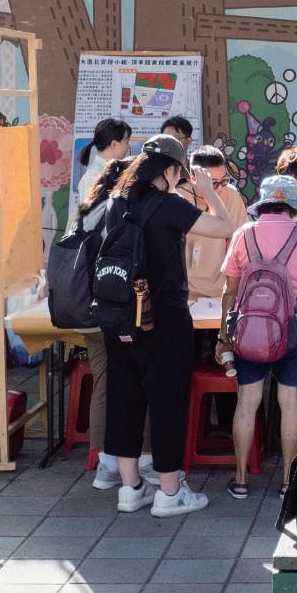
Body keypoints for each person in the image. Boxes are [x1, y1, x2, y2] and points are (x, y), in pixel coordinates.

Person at [102, 133, 234, 516]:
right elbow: (225, 227)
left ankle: (130, 489)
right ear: (173, 171)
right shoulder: (170, 204)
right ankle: (170, 491)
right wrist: (207, 192)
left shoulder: (116, 202)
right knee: (167, 400)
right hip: (164, 316)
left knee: (124, 397)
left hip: (119, 313)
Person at [216, 174, 297, 499]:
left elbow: (229, 292)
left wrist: (224, 336)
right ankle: (288, 482)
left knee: (247, 402)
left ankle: (240, 480)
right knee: (289, 402)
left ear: (261, 205)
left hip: (249, 331)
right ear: (293, 207)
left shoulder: (243, 234)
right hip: (294, 330)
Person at [75, 157, 154, 492]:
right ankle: (138, 460)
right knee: (131, 384)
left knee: (104, 383)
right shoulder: (120, 212)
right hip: (114, 310)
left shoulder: (87, 210)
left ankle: (105, 464)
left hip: (86, 308)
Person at [185, 144, 249, 324]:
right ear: (194, 178)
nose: (220, 188)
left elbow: (237, 247)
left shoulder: (231, 195)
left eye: (224, 181)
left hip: (219, 294)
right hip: (185, 294)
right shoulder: (179, 197)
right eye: (213, 183)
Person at [77, 119, 132, 206]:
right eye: (127, 142)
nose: (128, 147)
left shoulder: (113, 171)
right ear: (114, 144)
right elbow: (93, 214)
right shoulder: (92, 178)